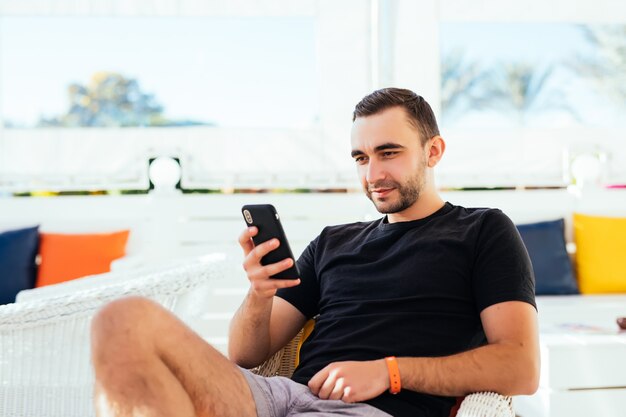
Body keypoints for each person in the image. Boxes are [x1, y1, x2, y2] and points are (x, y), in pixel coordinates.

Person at [91, 88, 540, 417]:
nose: (374, 173)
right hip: (281, 397)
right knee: (123, 320)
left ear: (433, 151)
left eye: (389, 153)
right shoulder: (334, 241)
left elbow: (520, 367)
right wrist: (259, 293)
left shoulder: (482, 229)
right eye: (361, 158)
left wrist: (389, 372)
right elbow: (247, 355)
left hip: (371, 410)